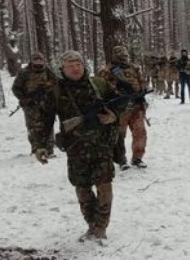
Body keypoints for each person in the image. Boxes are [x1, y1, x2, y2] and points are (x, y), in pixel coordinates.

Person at [30, 50, 123, 241]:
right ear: (62, 68)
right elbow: (43, 119)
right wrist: (40, 146)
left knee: (104, 184)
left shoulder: (98, 84)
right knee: (82, 187)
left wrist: (112, 116)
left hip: (101, 144)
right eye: (70, 64)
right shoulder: (55, 90)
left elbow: (119, 102)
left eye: (78, 63)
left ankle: (100, 227)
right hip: (75, 147)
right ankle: (91, 223)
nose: (75, 68)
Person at [99, 46, 149, 170]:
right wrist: (118, 90)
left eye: (125, 57)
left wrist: (141, 91)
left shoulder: (134, 68)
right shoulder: (108, 70)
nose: (124, 59)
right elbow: (103, 87)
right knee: (119, 134)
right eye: (121, 57)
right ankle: (121, 159)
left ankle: (137, 157)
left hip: (136, 105)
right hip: (119, 108)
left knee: (140, 132)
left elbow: (143, 82)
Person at [12, 51, 58, 156]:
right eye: (36, 60)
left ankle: (49, 149)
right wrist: (23, 98)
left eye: (40, 60)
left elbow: (56, 82)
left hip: (46, 103)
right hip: (30, 105)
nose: (38, 63)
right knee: (32, 127)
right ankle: (35, 148)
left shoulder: (48, 71)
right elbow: (16, 88)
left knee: (48, 125)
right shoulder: (24, 72)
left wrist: (48, 87)